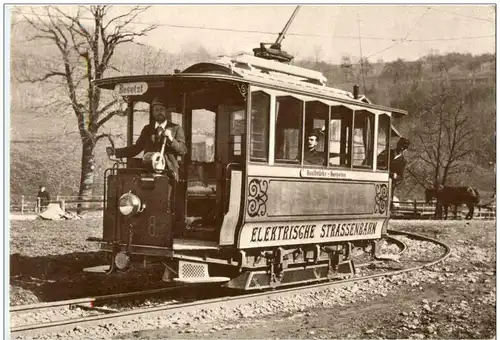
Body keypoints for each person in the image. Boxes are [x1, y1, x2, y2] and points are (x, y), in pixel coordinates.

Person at [106, 95, 187, 181]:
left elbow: (183, 150)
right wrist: (116, 151)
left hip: (169, 174)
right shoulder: (147, 129)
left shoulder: (176, 128)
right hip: (148, 172)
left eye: (161, 109)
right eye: (156, 110)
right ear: (152, 112)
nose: (159, 112)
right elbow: (136, 148)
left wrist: (171, 139)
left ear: (166, 111)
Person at [378, 137, 410, 203]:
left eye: (404, 147)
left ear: (405, 149)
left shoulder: (403, 161)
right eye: (401, 146)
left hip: (389, 187)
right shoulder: (386, 153)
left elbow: (400, 177)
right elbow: (376, 164)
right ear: (398, 144)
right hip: (378, 182)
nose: (401, 148)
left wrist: (395, 177)